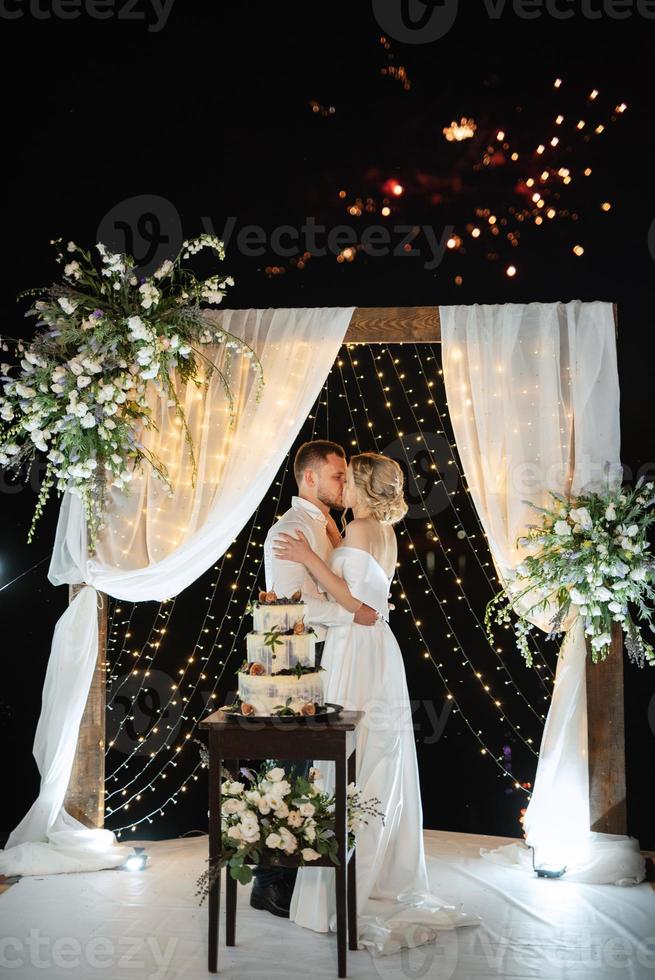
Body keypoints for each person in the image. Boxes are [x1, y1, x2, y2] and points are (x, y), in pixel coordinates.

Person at [272, 452, 480, 955]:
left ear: (362, 485)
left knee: (351, 750)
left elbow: (349, 596)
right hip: (375, 646)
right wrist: (327, 551)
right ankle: (373, 866)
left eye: (348, 477)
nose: (341, 485)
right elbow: (362, 592)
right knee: (371, 750)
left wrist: (308, 558)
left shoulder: (362, 530)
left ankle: (343, 883)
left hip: (358, 648)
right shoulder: (373, 531)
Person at [249, 440, 378, 919]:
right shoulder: (289, 531)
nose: (345, 483)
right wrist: (354, 616)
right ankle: (269, 884)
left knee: (313, 772)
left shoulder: (328, 525)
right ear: (309, 478)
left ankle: (297, 880)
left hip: (329, 659)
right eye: (338, 475)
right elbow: (290, 607)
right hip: (294, 669)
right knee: (291, 772)